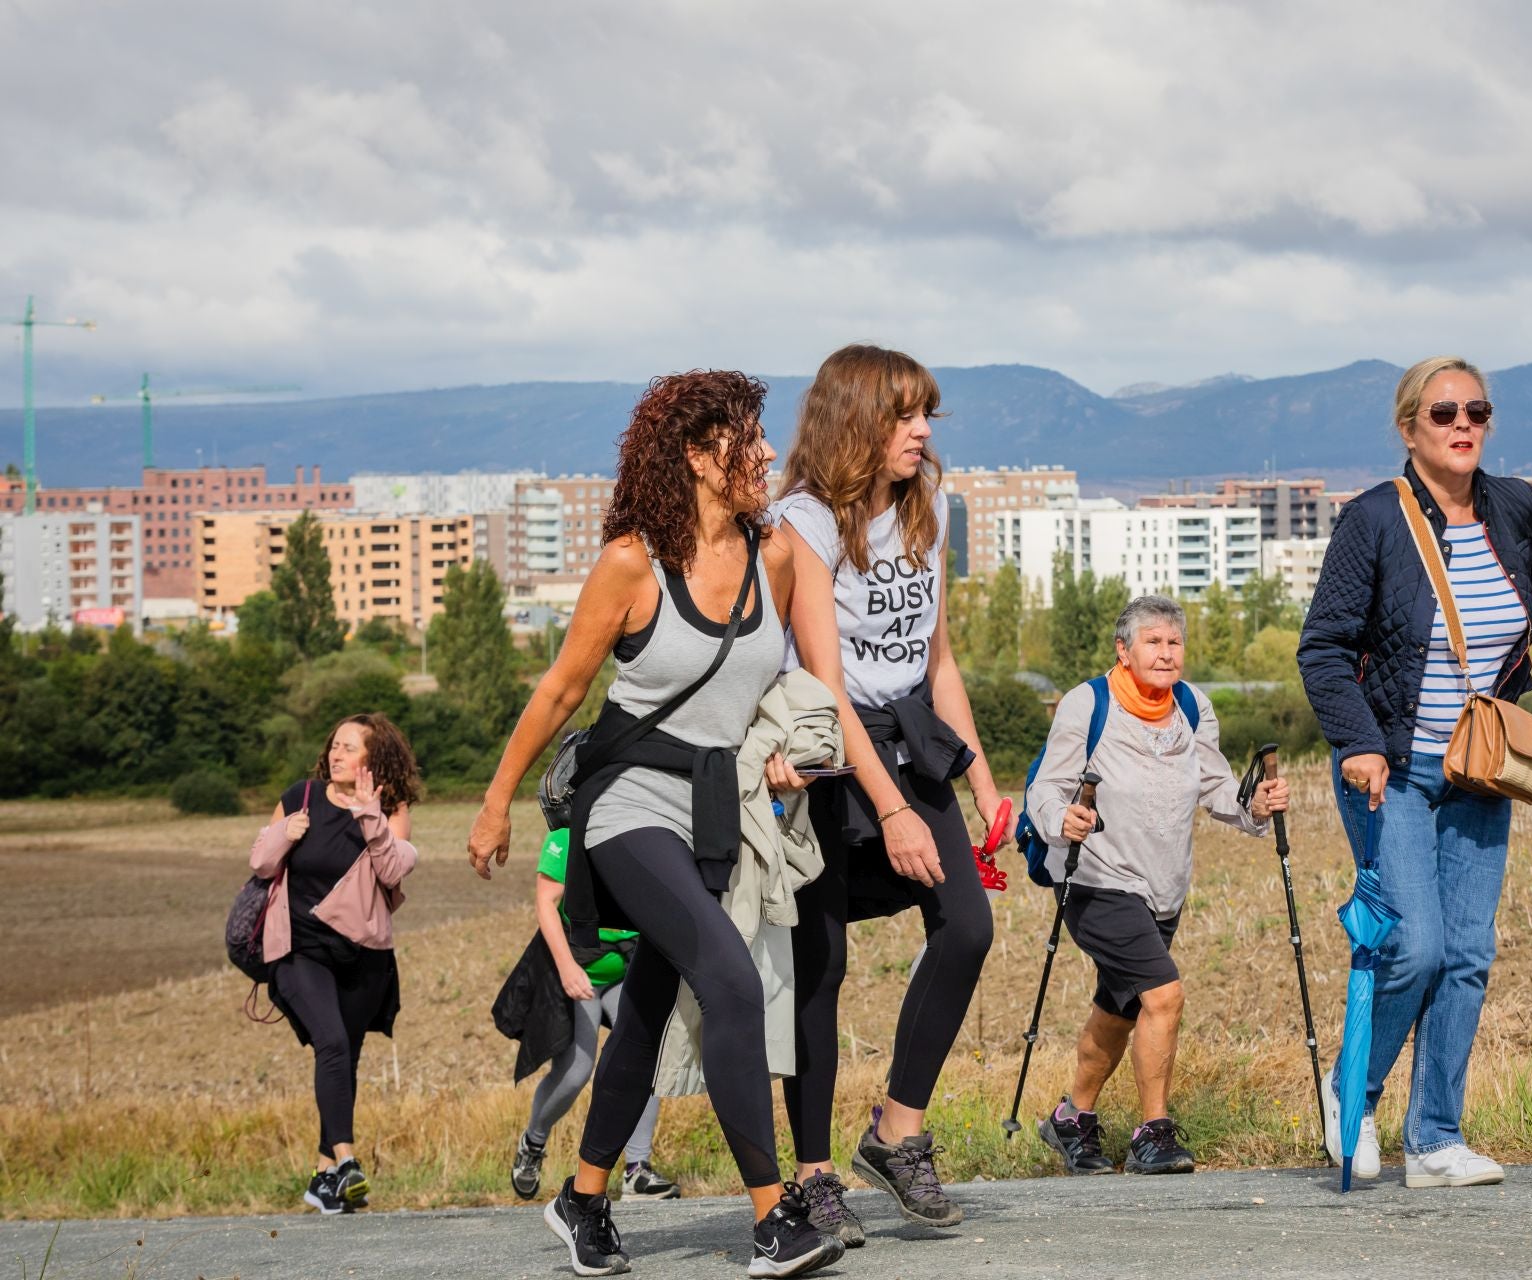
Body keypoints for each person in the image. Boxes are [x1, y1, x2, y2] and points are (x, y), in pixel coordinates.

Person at [467, 370, 842, 1278]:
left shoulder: (779, 556)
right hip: (629, 804)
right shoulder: (633, 563)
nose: (764, 454)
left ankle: (584, 1199)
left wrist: (802, 750)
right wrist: (495, 799)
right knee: (730, 980)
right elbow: (562, 690)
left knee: (642, 1015)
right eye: (744, 440)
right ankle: (772, 1219)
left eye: (760, 436)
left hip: (717, 809)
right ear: (694, 457)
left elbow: (789, 689)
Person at [1297, 356, 1532, 1189]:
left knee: (1470, 953)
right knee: (1415, 946)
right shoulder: (1373, 519)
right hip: (1392, 766)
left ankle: (1436, 1140)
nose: (1463, 424)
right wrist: (1361, 741)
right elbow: (1324, 648)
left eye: (1476, 410)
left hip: (1479, 769)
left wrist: (1499, 696)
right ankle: (1354, 1096)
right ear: (1410, 427)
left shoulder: (1513, 505)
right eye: (1444, 412)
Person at [772, 343, 1002, 1245]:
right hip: (825, 757)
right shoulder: (804, 522)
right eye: (905, 414)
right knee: (818, 966)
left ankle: (897, 1131)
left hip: (911, 738)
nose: (922, 431)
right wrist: (894, 811)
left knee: (968, 925)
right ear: (856, 420)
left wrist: (983, 782)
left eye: (927, 415)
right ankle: (814, 1173)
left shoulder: (928, 508)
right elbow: (826, 686)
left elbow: (937, 661)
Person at [1028, 594, 1287, 1176]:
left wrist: (1255, 804)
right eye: (1153, 641)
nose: (1166, 653)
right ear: (1124, 650)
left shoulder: (1192, 706)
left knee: (1119, 1008)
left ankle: (1073, 1119)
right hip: (1096, 879)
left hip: (1164, 887)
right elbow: (1047, 787)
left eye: (1174, 643)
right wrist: (1060, 818)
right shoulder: (1087, 704)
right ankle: (1154, 1132)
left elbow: (1216, 786)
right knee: (1163, 995)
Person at [247, 713, 421, 1215]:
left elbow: (394, 869)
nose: (336, 754)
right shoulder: (301, 795)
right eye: (334, 746)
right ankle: (346, 1160)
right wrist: (285, 832)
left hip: (364, 954)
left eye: (349, 747)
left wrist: (370, 815)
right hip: (300, 949)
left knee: (344, 1055)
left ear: (374, 758)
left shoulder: (390, 808)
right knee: (330, 1042)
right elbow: (260, 862)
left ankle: (324, 1179)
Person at [502, 827, 678, 1204]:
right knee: (577, 1070)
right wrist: (566, 968)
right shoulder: (565, 838)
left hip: (624, 968)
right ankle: (533, 1143)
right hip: (576, 970)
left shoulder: (634, 828)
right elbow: (546, 904)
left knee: (647, 1052)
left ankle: (637, 1170)